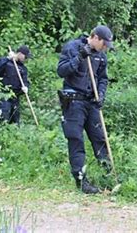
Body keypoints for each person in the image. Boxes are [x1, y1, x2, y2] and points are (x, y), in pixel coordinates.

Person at [57, 25, 114, 194]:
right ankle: (81, 181)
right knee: (76, 140)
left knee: (99, 138)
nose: (105, 48)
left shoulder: (101, 57)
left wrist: (101, 94)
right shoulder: (73, 47)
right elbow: (61, 70)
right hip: (74, 101)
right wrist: (80, 57)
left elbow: (103, 79)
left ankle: (109, 175)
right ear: (95, 37)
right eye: (103, 44)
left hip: (91, 102)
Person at [0, 45, 31, 125]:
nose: (26, 59)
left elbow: (25, 81)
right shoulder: (5, 62)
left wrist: (26, 87)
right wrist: (8, 59)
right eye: (25, 56)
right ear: (20, 54)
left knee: (15, 119)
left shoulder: (23, 68)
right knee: (3, 117)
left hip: (15, 97)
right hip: (3, 94)